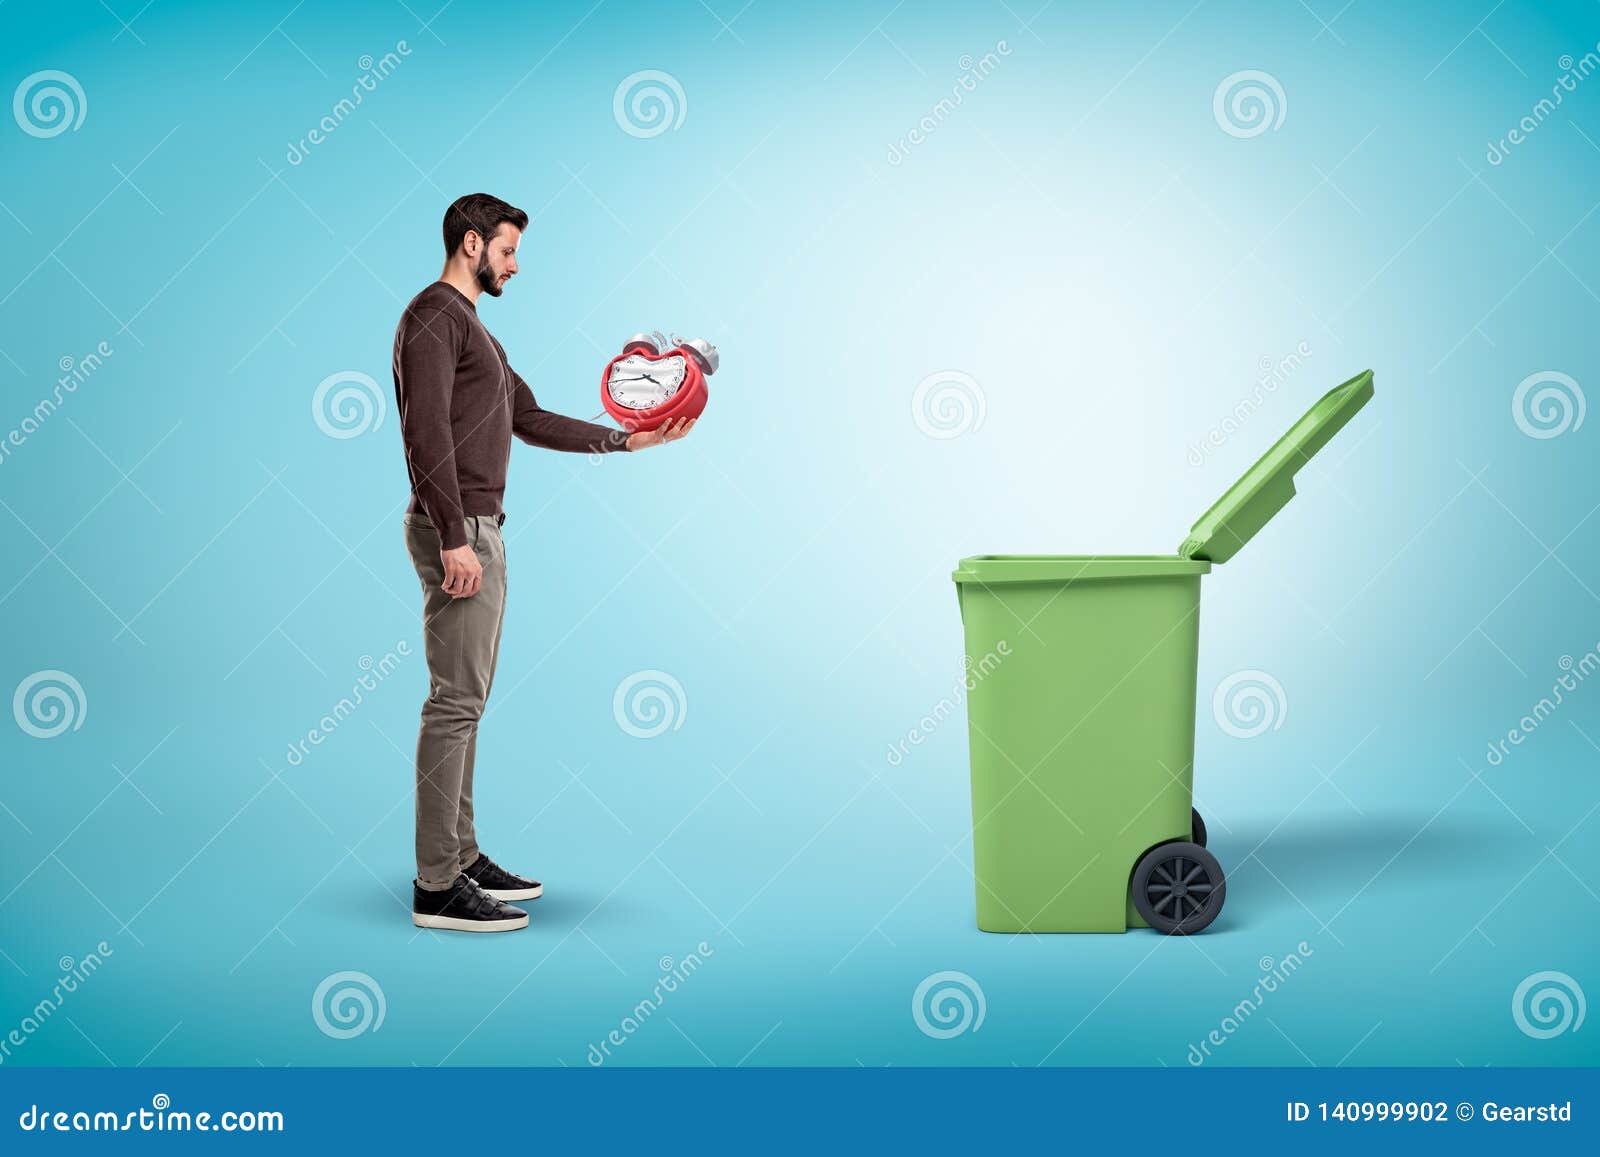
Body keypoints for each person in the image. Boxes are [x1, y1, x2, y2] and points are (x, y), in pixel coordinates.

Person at [394, 192, 693, 933]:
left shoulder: (478, 336)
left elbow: (528, 418)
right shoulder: (435, 317)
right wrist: (453, 532)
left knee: (468, 704)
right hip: (456, 527)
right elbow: (423, 430)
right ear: (471, 244)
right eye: (507, 250)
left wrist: (629, 440)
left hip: (478, 525)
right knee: (454, 703)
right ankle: (437, 885)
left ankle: (459, 856)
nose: (515, 266)